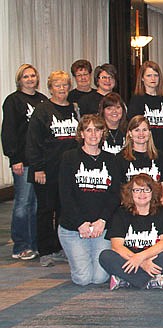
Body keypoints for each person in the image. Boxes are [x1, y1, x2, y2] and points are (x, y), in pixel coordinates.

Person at [58, 114, 121, 285]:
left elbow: (115, 195)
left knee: (100, 278)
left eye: (98, 129)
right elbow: (65, 195)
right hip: (74, 228)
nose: (93, 134)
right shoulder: (69, 158)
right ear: (82, 133)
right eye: (89, 130)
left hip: (101, 228)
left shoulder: (112, 160)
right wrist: (80, 223)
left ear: (103, 133)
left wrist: (103, 221)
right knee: (83, 279)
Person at [26, 71, 80, 267]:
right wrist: (38, 168)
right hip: (46, 171)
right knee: (46, 211)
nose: (62, 89)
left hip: (68, 171)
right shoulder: (42, 110)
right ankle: (46, 250)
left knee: (64, 210)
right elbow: (33, 142)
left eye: (65, 85)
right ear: (50, 88)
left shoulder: (75, 110)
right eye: (57, 85)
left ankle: (60, 247)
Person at [2, 64, 47, 260]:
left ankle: (34, 243)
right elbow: (9, 131)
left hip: (40, 161)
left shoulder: (43, 100)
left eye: (32, 76)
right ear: (19, 80)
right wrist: (15, 158)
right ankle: (20, 245)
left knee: (36, 204)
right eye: (25, 76)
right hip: (23, 161)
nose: (30, 79)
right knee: (22, 203)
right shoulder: (13, 101)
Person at [99, 174, 163, 290]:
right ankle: (149, 280)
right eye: (137, 190)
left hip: (152, 258)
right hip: (128, 259)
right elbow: (116, 246)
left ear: (152, 192)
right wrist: (142, 263)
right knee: (106, 256)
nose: (142, 194)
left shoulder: (162, 212)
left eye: (146, 190)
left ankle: (127, 279)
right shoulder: (121, 213)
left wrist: (141, 258)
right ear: (131, 193)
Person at [127, 61, 163, 163]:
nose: (153, 79)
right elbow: (133, 129)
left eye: (156, 75)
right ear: (142, 78)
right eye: (149, 75)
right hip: (144, 153)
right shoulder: (136, 101)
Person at [117, 115, 163, 205]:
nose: (141, 134)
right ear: (130, 133)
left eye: (144, 130)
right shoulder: (120, 158)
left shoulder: (160, 157)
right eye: (137, 130)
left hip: (155, 210)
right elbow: (119, 189)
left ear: (149, 133)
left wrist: (159, 209)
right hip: (129, 212)